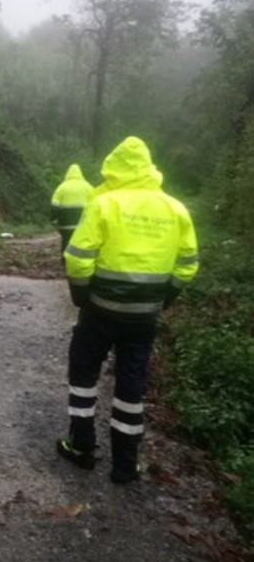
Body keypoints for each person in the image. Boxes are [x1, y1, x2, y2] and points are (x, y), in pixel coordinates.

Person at [56, 136, 199, 483]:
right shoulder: (175, 209)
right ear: (149, 169)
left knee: (84, 374)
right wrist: (164, 300)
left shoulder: (104, 203)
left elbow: (77, 257)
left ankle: (82, 446)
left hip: (100, 310)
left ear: (113, 169)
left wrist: (81, 296)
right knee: (132, 385)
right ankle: (125, 463)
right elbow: (188, 264)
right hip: (144, 317)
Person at [50, 164, 94, 257]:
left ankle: (65, 260)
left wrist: (53, 220)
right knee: (82, 243)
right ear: (81, 173)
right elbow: (96, 204)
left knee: (66, 242)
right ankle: (81, 261)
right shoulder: (88, 186)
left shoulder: (62, 187)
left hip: (66, 224)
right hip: (83, 224)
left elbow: (54, 206)